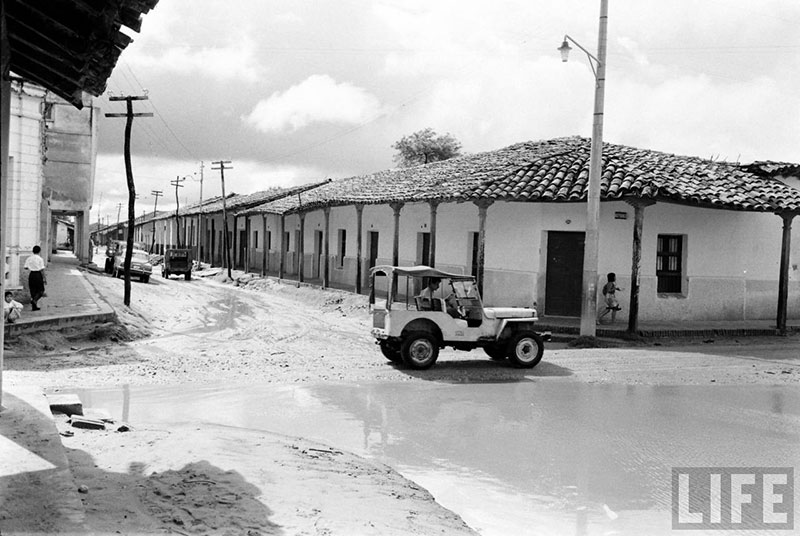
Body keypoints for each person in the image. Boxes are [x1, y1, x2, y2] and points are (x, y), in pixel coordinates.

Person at [24, 245, 47, 311]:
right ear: (39, 251)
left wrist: (31, 266)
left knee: (33, 290)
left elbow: (25, 267)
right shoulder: (40, 259)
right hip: (38, 274)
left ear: (32, 251)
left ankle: (34, 306)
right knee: (41, 290)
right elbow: (42, 270)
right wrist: (44, 278)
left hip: (31, 274)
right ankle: (34, 300)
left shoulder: (29, 258)